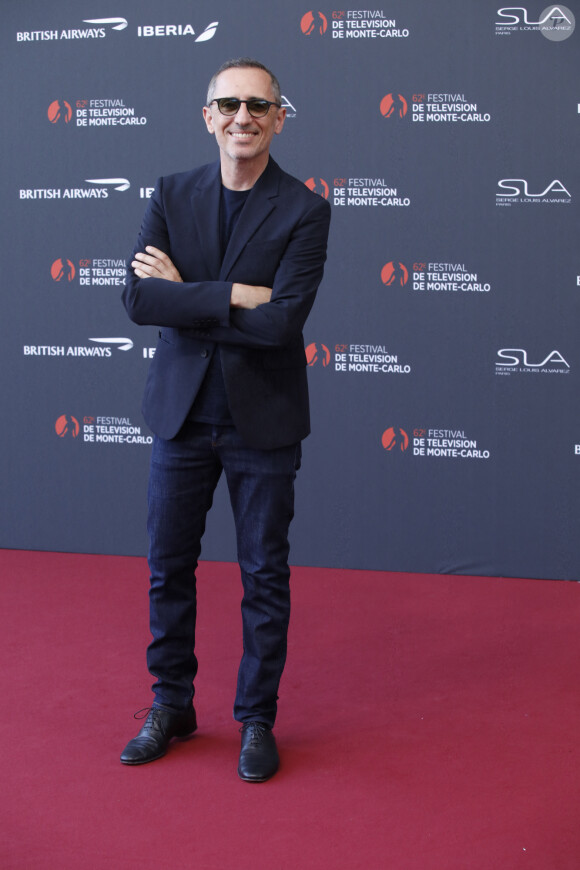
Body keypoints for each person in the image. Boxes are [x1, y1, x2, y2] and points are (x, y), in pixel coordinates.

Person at [120, 58, 331, 781]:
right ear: (207, 115)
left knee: (263, 575)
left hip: (262, 424)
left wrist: (193, 295)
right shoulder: (171, 195)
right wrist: (237, 293)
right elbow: (142, 303)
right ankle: (171, 704)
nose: (243, 116)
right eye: (229, 104)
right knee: (166, 569)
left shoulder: (305, 209)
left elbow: (281, 327)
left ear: (279, 117)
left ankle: (256, 719)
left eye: (258, 105)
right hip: (179, 420)